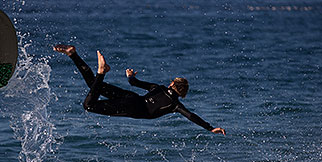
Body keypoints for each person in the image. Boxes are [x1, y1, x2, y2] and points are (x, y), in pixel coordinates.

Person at [53, 44, 226, 135]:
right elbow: (191, 116)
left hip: (131, 97)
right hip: (132, 108)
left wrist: (129, 76)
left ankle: (72, 54)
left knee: (93, 85)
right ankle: (101, 71)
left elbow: (135, 83)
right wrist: (210, 128)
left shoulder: (158, 87)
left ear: (173, 84)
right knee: (89, 106)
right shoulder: (175, 105)